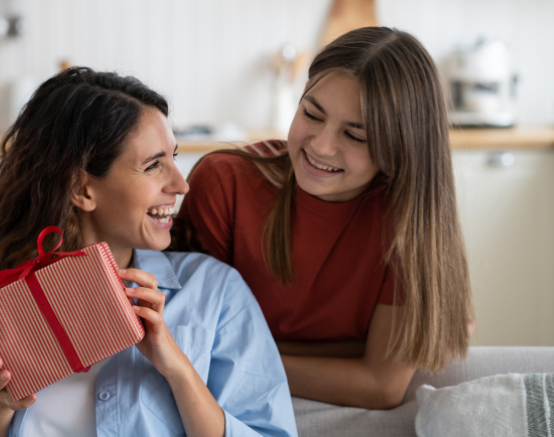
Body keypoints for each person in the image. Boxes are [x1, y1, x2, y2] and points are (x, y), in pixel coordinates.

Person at [0, 67, 297, 437]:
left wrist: (175, 366)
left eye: (173, 158)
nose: (180, 184)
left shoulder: (215, 293)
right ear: (82, 189)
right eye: (154, 165)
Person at [176, 27, 474, 409]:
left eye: (356, 136)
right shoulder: (225, 183)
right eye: (311, 114)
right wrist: (355, 351)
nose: (320, 145)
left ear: (401, 149)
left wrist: (249, 352)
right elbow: (198, 349)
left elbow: (380, 386)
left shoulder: (408, 221)